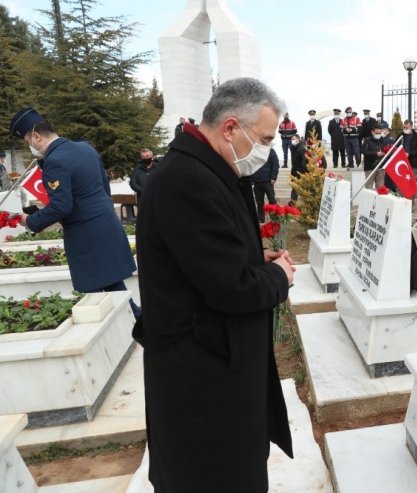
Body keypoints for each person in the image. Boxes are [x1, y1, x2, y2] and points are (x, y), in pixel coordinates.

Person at [134, 78, 295, 492]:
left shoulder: (203, 168)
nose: (265, 150)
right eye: (263, 138)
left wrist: (250, 257)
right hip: (202, 373)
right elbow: (232, 290)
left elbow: (201, 254)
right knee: (213, 473)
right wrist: (278, 277)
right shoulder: (187, 179)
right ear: (229, 128)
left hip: (214, 360)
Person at [11, 107, 139, 317]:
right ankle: (144, 328)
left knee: (95, 302)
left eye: (28, 140)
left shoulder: (55, 161)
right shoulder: (86, 148)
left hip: (87, 238)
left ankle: (143, 330)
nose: (29, 146)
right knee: (116, 291)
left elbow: (61, 206)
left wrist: (30, 220)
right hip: (107, 227)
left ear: (36, 136)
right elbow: (104, 187)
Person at [251, 147, 279, 222]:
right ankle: (261, 219)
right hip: (257, 183)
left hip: (268, 182)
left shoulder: (270, 151)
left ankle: (274, 218)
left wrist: (273, 177)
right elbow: (251, 166)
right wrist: (251, 179)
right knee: (259, 202)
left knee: (272, 201)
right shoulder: (254, 152)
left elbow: (275, 164)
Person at [362, 124, 387, 189]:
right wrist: (376, 153)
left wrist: (385, 153)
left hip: (381, 167)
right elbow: (364, 152)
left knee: (381, 188)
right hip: (370, 167)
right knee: (368, 187)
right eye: (377, 133)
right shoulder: (367, 140)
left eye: (380, 133)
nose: (378, 134)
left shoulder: (383, 141)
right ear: (372, 132)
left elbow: (387, 151)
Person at [290, 135, 308, 202]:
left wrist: (303, 172)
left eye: (293, 139)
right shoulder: (293, 148)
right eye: (292, 139)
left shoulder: (302, 149)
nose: (292, 141)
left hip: (300, 172)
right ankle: (293, 203)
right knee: (294, 188)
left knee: (302, 189)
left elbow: (304, 161)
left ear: (298, 139)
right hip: (294, 171)